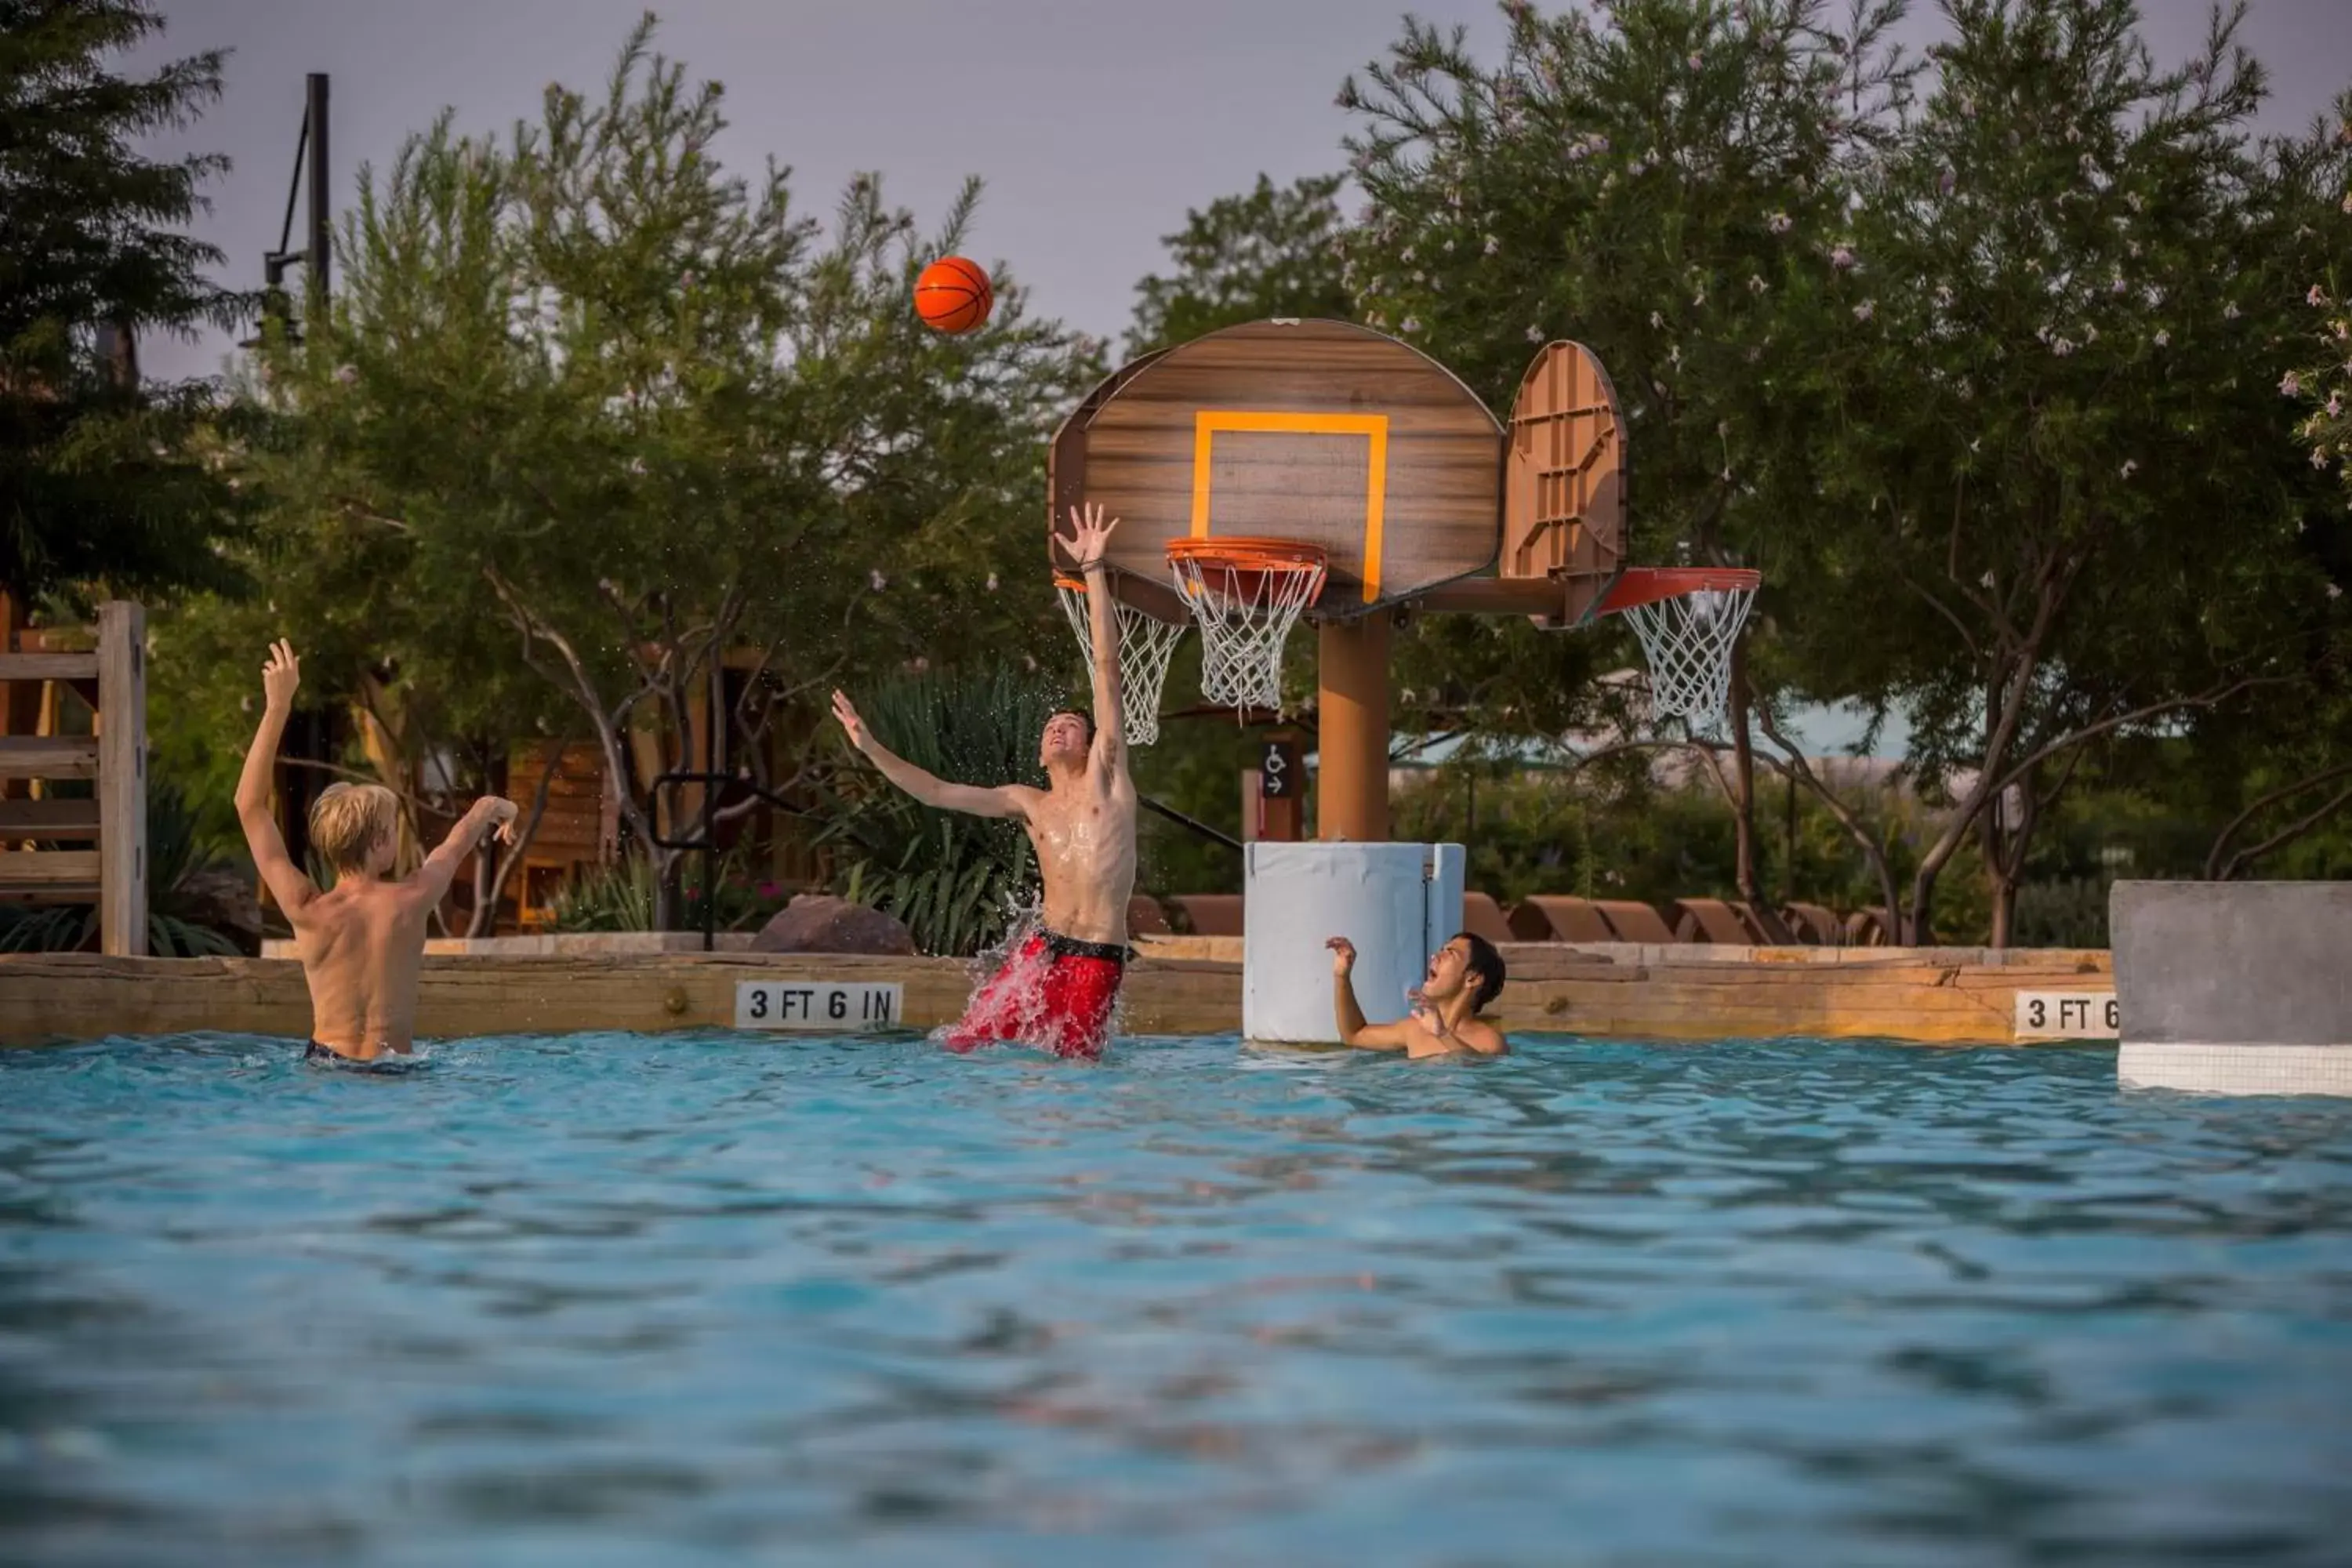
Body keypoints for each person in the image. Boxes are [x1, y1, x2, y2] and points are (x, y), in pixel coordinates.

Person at [830, 503, 1137, 1060]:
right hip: (1041, 949)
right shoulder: (1030, 802)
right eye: (1051, 727)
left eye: (1071, 726)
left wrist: (1093, 571)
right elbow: (936, 791)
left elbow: (1107, 671)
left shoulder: (1107, 781)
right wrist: (870, 747)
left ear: (1093, 744)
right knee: (966, 1041)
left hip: (1094, 955)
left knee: (1072, 1065)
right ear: (1041, 756)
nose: (1058, 729)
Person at [234, 641, 518, 1062]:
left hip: (325, 1065)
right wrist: (501, 808)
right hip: (394, 1070)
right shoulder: (413, 898)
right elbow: (461, 835)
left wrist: (277, 706)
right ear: (381, 843)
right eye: (392, 828)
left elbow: (250, 806)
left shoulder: (307, 910)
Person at [1324, 932, 1509, 1058]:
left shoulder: (1489, 1041)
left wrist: (1443, 1034)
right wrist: (1342, 977)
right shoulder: (1413, 1029)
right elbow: (1354, 1035)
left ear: (1473, 978)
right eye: (1441, 950)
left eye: (1450, 953)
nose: (1434, 957)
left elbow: (1478, 1077)